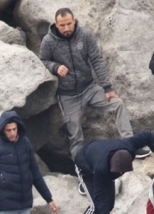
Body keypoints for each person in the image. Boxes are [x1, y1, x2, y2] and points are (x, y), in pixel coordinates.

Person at [39, 7, 144, 160]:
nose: (66, 28)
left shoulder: (85, 35)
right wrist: (55, 67)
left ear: (74, 21)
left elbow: (96, 60)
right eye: (62, 25)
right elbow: (42, 60)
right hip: (67, 95)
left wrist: (108, 88)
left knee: (118, 104)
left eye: (69, 23)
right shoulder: (48, 41)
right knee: (75, 134)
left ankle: (129, 145)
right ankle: (80, 166)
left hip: (89, 88)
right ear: (56, 24)